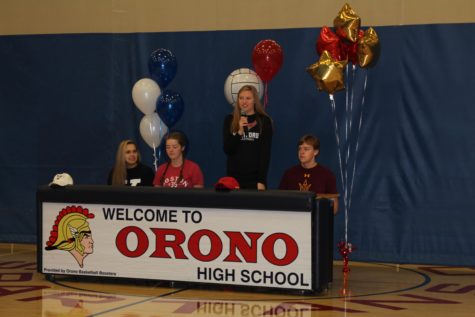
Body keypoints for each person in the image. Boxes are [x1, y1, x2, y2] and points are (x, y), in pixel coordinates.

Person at [223, 85, 273, 190]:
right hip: (234, 179)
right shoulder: (230, 120)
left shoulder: (264, 121)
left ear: (255, 100)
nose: (244, 101)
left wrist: (261, 180)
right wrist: (239, 132)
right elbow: (228, 149)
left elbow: (265, 153)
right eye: (241, 98)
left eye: (248, 98)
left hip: (255, 180)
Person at [279, 134, 339, 213]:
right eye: (299, 149)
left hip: (316, 222)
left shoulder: (327, 175)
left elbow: (334, 209)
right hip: (292, 221)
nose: (302, 152)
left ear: (316, 152)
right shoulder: (289, 174)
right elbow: (279, 201)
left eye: (306, 149)